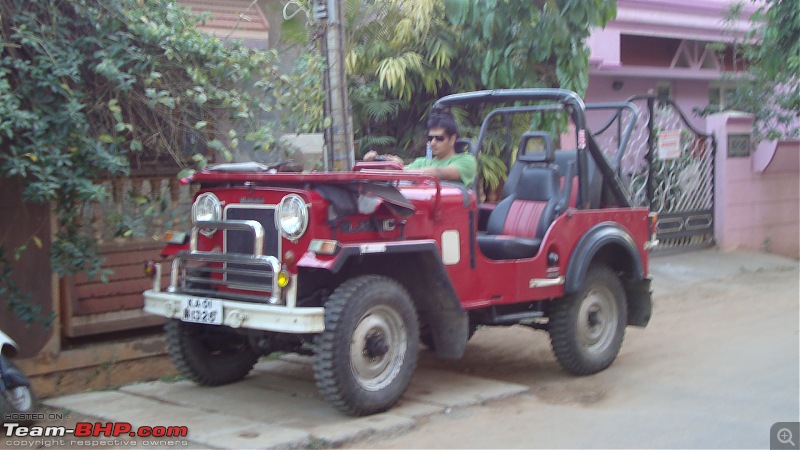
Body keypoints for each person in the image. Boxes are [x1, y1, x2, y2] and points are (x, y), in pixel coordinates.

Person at [363, 108, 477, 186]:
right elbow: (398, 173)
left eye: (439, 138)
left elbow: (436, 173)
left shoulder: (466, 161)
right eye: (430, 138)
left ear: (452, 139)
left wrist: (400, 170)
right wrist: (379, 162)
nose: (433, 142)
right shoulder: (422, 163)